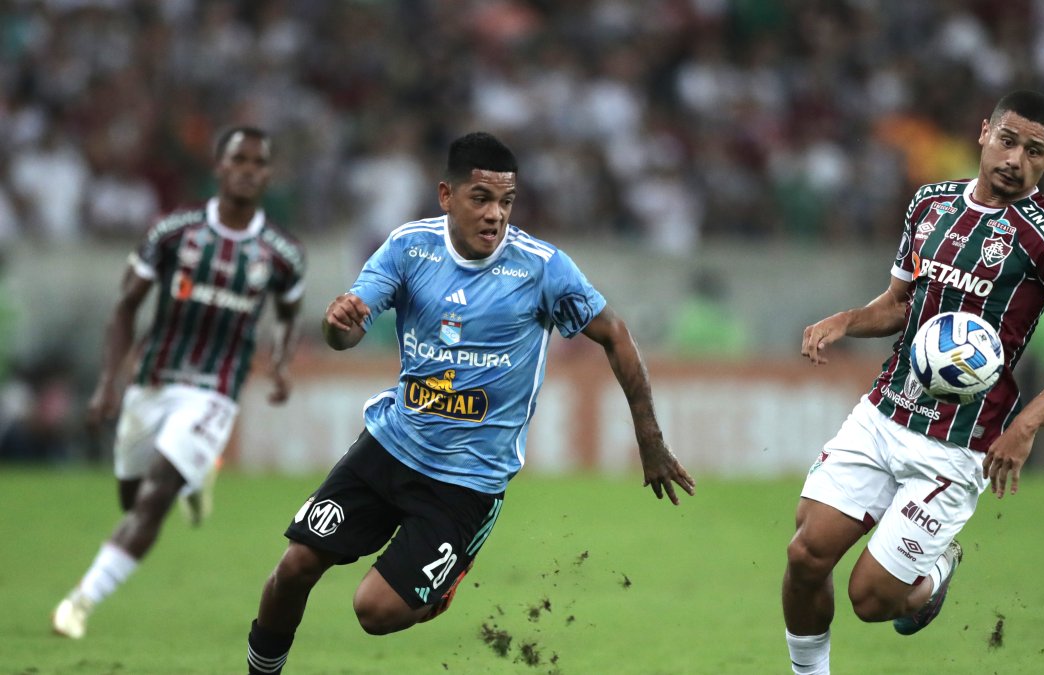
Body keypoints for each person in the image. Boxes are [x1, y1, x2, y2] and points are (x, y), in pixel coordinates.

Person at [245, 131, 695, 675]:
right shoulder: (408, 247)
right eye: (480, 198)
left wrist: (651, 441)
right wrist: (338, 322)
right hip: (390, 445)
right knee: (294, 566)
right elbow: (348, 329)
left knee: (375, 611)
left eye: (506, 202)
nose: (495, 216)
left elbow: (616, 335)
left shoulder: (541, 267)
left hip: (466, 482)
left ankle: (445, 578)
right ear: (446, 195)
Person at [781, 90, 1044, 674]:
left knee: (870, 600)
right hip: (887, 411)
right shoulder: (930, 203)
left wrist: (1026, 426)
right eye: (1008, 141)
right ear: (984, 133)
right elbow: (898, 305)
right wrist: (846, 321)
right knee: (806, 555)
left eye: (1034, 151)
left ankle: (935, 574)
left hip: (957, 447)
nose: (1015, 159)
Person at [52, 126, 306, 639]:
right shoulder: (174, 230)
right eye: (239, 160)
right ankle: (198, 476)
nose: (248, 170)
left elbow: (288, 310)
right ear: (219, 166)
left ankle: (79, 602)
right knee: (131, 496)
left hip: (215, 387)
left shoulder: (281, 252)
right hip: (154, 380)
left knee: (156, 497)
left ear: (268, 174)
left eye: (259, 163)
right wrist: (108, 383)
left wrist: (279, 363)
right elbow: (126, 305)